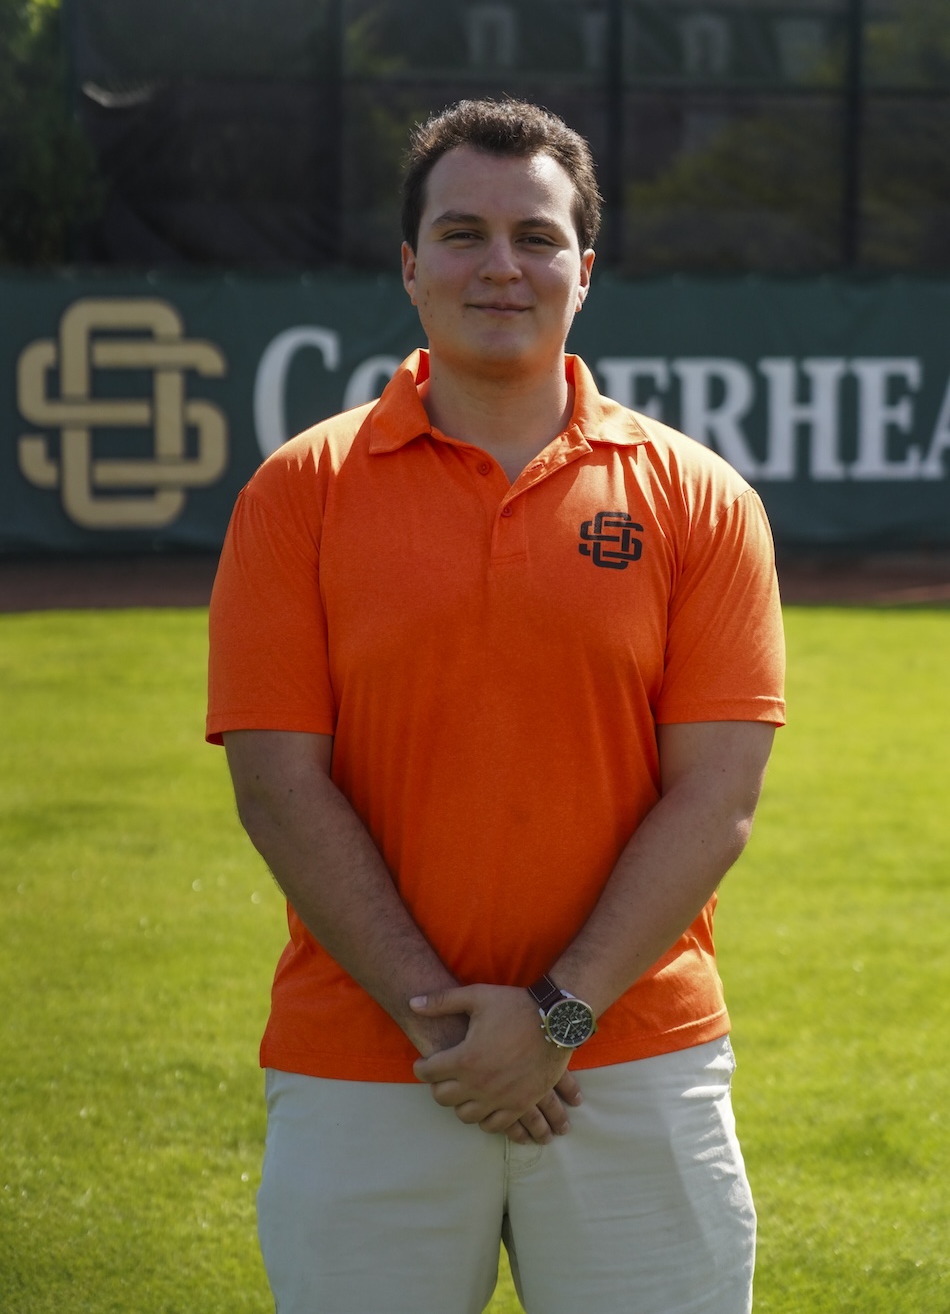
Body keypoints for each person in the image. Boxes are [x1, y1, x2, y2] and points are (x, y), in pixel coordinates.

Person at [206, 97, 785, 1314]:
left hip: (632, 1059)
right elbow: (275, 785)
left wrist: (556, 1019)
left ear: (586, 266)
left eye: (535, 235)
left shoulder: (701, 498)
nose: (500, 265)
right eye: (462, 233)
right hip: (366, 1063)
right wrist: (452, 1031)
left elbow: (716, 798)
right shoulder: (297, 493)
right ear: (410, 266)